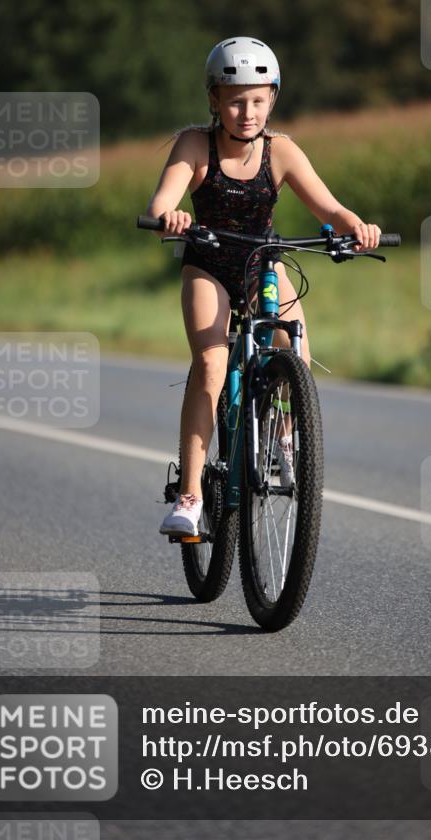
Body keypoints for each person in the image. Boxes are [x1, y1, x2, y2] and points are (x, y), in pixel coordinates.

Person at [147, 36, 381, 536]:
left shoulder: (281, 151)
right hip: (209, 265)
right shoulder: (195, 145)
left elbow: (330, 209)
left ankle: (282, 440)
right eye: (235, 101)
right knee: (211, 364)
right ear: (214, 100)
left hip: (262, 265)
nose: (247, 112)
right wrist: (171, 216)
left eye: (257, 100)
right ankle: (190, 496)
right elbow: (161, 202)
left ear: (272, 98)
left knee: (296, 351)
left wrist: (358, 228)